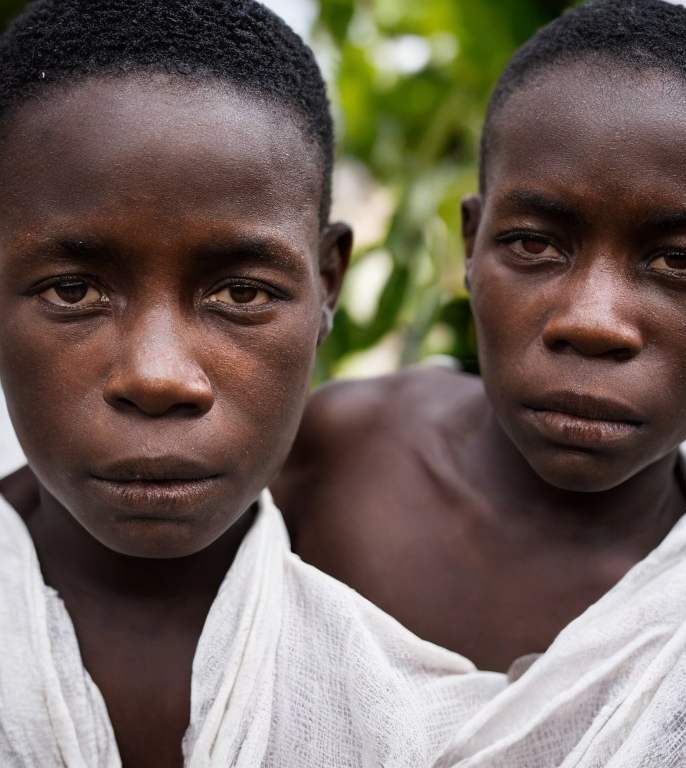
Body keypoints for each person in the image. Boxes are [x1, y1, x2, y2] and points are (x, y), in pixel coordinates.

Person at [0, 2, 508, 767]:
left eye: (240, 294)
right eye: (73, 291)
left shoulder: (428, 717)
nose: (158, 376)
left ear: (327, 283)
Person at [273, 0, 686, 763]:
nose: (595, 322)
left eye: (678, 261)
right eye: (535, 243)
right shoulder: (333, 453)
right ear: (472, 247)